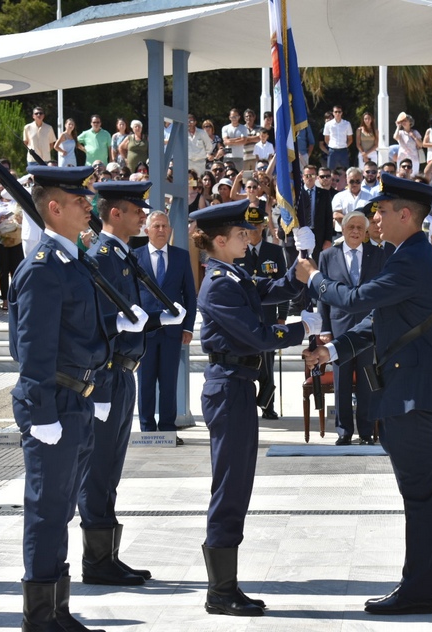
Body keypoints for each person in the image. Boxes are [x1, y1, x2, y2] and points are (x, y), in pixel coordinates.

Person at [299, 173, 432, 615]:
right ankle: (418, 586)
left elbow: (355, 301)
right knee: (417, 494)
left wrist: (314, 278)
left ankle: (418, 590)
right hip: (403, 388)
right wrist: (333, 348)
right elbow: (379, 324)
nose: (374, 219)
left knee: (421, 496)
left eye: (382, 211)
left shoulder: (411, 258)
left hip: (411, 391)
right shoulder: (406, 254)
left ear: (406, 214)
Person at [8, 165, 149, 631]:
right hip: (57, 404)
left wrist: (113, 338)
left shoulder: (75, 260)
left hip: (81, 400)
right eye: (79, 201)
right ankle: (42, 615)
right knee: (48, 509)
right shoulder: (45, 268)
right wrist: (39, 412)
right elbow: (32, 349)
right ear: (54, 207)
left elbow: (81, 333)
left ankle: (57, 608)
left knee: (63, 507)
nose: (88, 206)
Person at [191, 199, 315, 616]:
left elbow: (265, 292)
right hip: (229, 387)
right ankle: (220, 591)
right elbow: (259, 334)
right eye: (242, 235)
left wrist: (297, 275)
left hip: (238, 385)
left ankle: (227, 585)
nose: (250, 238)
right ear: (221, 241)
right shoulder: (220, 283)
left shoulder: (233, 274)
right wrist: (301, 328)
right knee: (229, 486)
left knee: (237, 483)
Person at [80, 180, 184, 587]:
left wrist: (158, 319)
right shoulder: (102, 256)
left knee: (111, 470)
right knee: (98, 470)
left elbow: (130, 314)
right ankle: (96, 561)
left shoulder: (122, 256)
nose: (145, 215)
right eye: (136, 209)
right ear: (115, 214)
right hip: (107, 375)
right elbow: (94, 320)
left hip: (125, 371)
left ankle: (107, 555)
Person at [316, 210, 387, 445]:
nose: (355, 231)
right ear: (343, 230)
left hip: (369, 328)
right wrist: (325, 328)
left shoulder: (378, 255)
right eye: (351, 227)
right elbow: (322, 294)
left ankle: (366, 432)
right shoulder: (328, 256)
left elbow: (382, 292)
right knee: (342, 381)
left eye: (360, 228)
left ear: (366, 231)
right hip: (339, 327)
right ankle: (344, 432)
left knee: (368, 380)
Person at [134, 211, 197, 441]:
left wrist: (188, 327)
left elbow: (190, 294)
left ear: (170, 230)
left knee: (169, 382)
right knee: (146, 382)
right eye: (157, 226)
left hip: (173, 332)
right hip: (146, 331)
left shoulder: (180, 257)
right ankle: (147, 430)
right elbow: (131, 295)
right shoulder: (135, 256)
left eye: (164, 226)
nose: (161, 230)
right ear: (147, 230)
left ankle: (168, 430)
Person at [233, 206, 288, 420]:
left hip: (267, 318)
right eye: (249, 226)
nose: (252, 230)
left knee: (267, 364)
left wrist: (282, 315)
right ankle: (245, 407)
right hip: (244, 318)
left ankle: (267, 404)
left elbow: (283, 285)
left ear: (263, 226)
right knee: (245, 363)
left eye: (256, 226)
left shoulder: (274, 251)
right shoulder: (238, 252)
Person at [323, 105, 353, 170]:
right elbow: (326, 139)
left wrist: (344, 146)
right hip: (332, 151)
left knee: (345, 171)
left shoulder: (347, 124)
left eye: (339, 112)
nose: (337, 114)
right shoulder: (328, 124)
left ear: (342, 113)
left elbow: (350, 139)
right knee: (330, 171)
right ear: (333, 113)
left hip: (343, 151)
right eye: (336, 112)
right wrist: (332, 146)